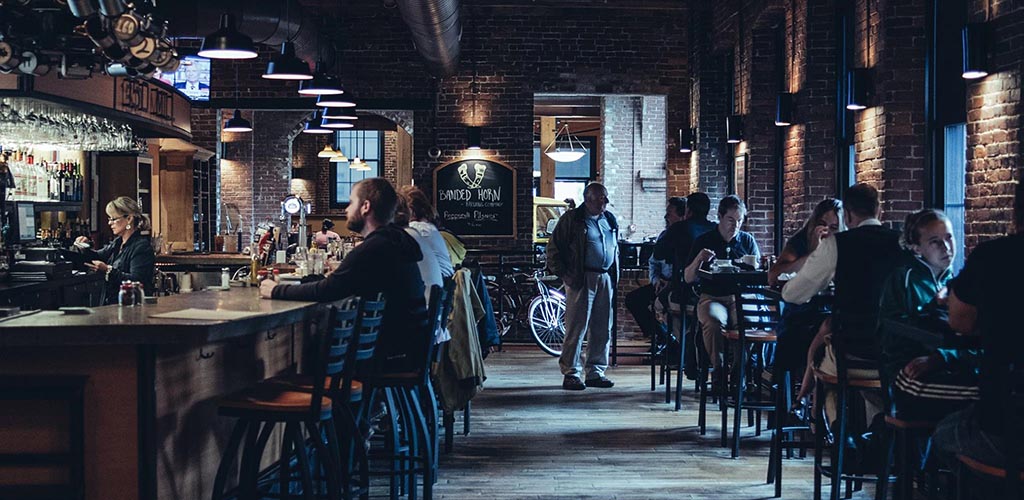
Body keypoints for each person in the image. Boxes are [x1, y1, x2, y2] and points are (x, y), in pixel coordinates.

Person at [260, 178, 427, 373]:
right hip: (408, 347)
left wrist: (277, 290)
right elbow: (336, 283)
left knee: (304, 352)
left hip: (386, 354)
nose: (346, 210)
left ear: (365, 207)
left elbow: (328, 291)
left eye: (351, 203)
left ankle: (315, 397)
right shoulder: (396, 241)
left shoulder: (374, 248)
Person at [783, 183, 902, 423]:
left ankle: (832, 429)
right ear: (879, 211)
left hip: (852, 351)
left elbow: (792, 295)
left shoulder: (838, 244)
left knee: (821, 364)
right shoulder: (902, 243)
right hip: (893, 354)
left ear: (847, 215)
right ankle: (870, 435)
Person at [932, 177, 1024, 472]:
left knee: (942, 433)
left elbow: (959, 322)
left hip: (1006, 429)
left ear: (1015, 212)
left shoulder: (992, 257)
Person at [769, 198, 843, 408]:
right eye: (824, 225)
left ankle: (816, 411)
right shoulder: (801, 241)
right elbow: (774, 276)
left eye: (834, 227)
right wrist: (815, 256)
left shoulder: (847, 244)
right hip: (799, 317)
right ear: (814, 224)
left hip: (831, 317)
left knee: (831, 337)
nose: (828, 231)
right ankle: (803, 407)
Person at [547, 183, 619, 391]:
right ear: (588, 198)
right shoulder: (572, 220)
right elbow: (553, 248)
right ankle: (571, 371)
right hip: (581, 276)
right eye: (600, 198)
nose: (604, 201)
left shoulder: (609, 219)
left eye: (605, 198)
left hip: (604, 276)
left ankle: (596, 371)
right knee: (576, 326)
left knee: (602, 327)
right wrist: (563, 274)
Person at [683, 195, 760, 370]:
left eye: (740, 221)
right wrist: (698, 260)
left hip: (742, 297)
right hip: (712, 296)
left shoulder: (747, 241)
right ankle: (719, 369)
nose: (735, 226)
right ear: (719, 216)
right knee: (713, 321)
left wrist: (754, 265)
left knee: (747, 322)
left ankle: (738, 372)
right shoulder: (704, 240)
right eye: (731, 220)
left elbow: (759, 272)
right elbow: (687, 278)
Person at [624, 196, 686, 341]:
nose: (666, 216)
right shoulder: (664, 235)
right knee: (633, 300)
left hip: (679, 286)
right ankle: (664, 338)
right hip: (662, 283)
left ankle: (672, 341)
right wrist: (656, 280)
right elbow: (654, 262)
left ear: (681, 215)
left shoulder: (689, 236)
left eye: (669, 213)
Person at [75, 196, 155, 304]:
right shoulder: (117, 243)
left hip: (132, 307)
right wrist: (83, 246)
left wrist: (108, 270)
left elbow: (137, 281)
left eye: (113, 219)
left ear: (129, 219)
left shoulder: (142, 247)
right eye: (109, 219)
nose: (109, 223)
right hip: (115, 304)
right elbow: (97, 256)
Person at [399, 185, 454, 280]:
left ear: (410, 210)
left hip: (435, 286)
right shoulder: (428, 227)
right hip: (442, 285)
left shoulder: (417, 229)